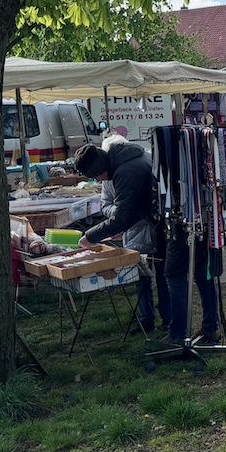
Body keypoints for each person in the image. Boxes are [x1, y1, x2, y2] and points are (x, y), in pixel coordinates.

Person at [75, 138, 171, 335]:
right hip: (151, 224)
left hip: (154, 227)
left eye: (97, 178)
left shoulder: (125, 172)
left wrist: (90, 237)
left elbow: (122, 217)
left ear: (100, 170)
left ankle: (166, 321)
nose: (100, 182)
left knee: (157, 275)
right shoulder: (128, 159)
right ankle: (163, 319)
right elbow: (121, 212)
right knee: (155, 274)